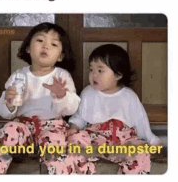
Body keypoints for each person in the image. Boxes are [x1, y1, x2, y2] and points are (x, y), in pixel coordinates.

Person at [0, 22, 81, 174]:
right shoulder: (19, 76)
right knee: (8, 130)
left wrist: (62, 96)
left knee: (55, 146)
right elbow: (4, 113)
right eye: (40, 41)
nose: (45, 46)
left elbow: (72, 108)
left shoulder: (62, 76)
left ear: (61, 56)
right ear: (28, 48)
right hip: (24, 126)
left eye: (53, 44)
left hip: (52, 126)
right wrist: (8, 103)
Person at [64, 44, 162, 174]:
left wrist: (152, 140)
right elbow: (80, 117)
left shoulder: (129, 96)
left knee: (141, 152)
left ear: (118, 75)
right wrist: (74, 127)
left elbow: (141, 121)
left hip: (122, 142)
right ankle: (85, 172)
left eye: (100, 70)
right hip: (95, 139)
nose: (94, 75)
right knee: (74, 141)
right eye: (91, 70)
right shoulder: (88, 93)